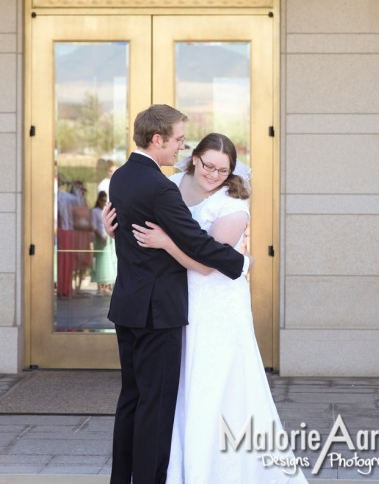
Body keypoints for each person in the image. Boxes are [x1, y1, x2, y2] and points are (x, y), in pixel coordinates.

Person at [105, 132, 308, 484]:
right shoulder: (169, 184)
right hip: (176, 300)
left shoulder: (232, 203)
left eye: (223, 170)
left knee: (211, 383)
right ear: (194, 158)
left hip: (214, 303)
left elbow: (209, 264)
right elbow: (140, 230)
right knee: (176, 387)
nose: (214, 175)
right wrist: (114, 232)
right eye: (208, 165)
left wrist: (167, 244)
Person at [106, 105, 250, 484]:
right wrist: (239, 264)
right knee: (155, 407)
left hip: (128, 305)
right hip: (159, 312)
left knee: (132, 400)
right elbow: (195, 242)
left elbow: (125, 229)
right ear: (158, 139)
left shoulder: (121, 177)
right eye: (179, 141)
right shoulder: (158, 186)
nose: (180, 149)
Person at [90, 190, 116, 295]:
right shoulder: (95, 211)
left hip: (107, 239)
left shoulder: (105, 210)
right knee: (100, 261)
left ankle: (106, 285)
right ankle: (100, 285)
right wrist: (101, 236)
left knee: (108, 261)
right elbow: (93, 226)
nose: (104, 202)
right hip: (100, 238)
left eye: (105, 200)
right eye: (102, 200)